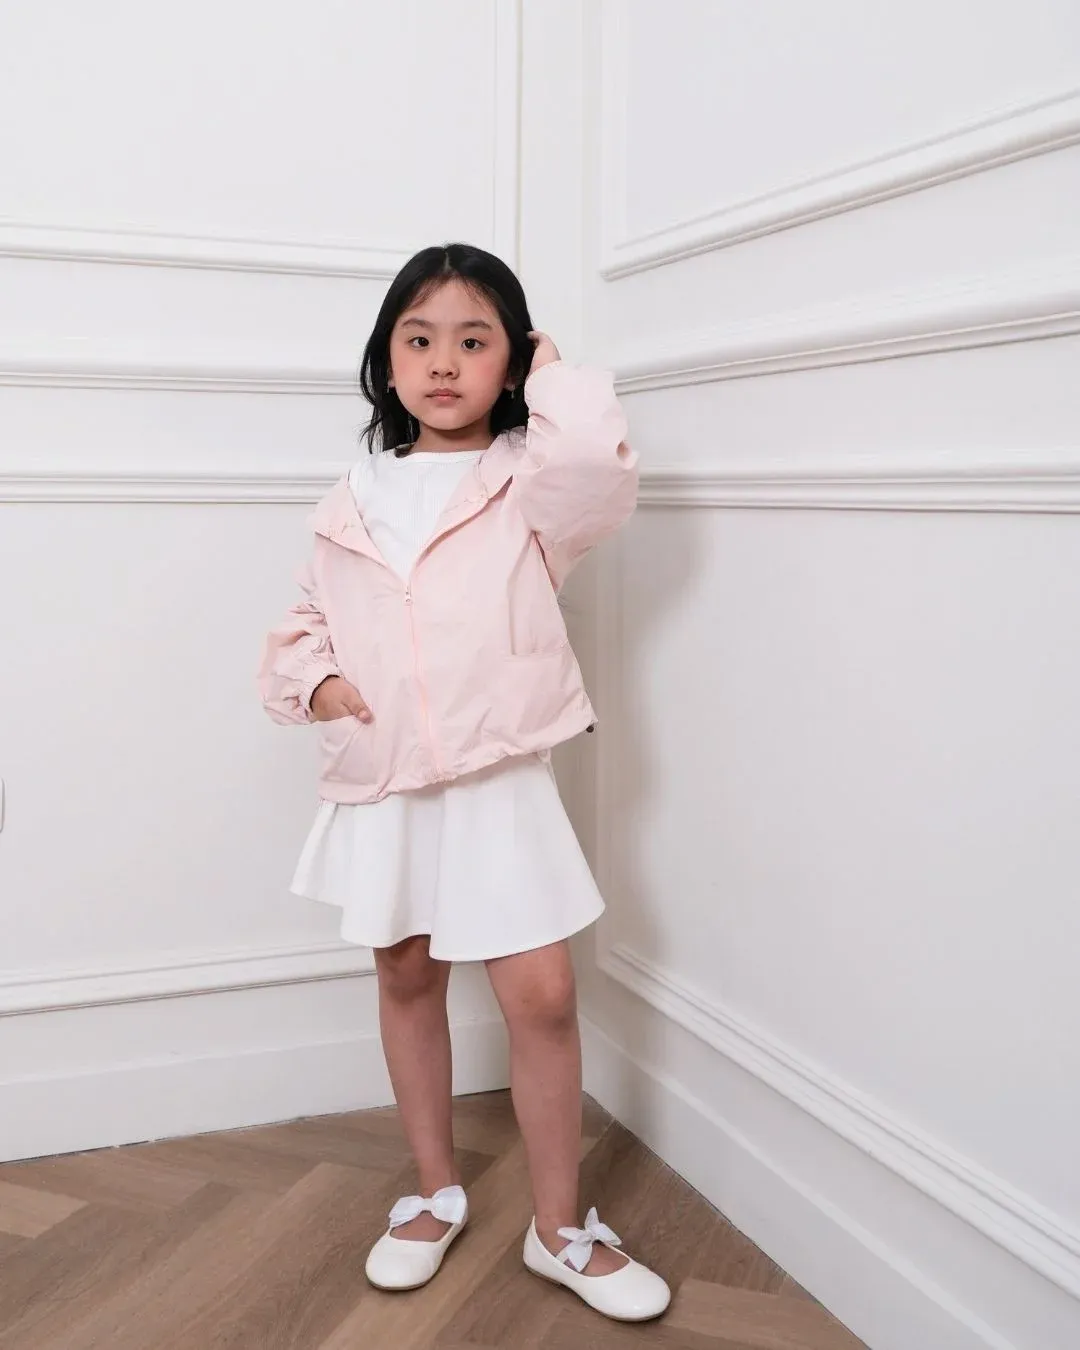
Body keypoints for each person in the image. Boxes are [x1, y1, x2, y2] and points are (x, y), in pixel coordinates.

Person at [257, 242, 669, 1322]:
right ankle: (435, 1193)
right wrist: (320, 682)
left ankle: (559, 1228)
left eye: (475, 340)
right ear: (387, 358)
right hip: (387, 777)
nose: (444, 362)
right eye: (420, 338)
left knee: (543, 995)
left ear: (512, 361)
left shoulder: (530, 485)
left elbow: (601, 475)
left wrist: (557, 380)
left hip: (497, 773)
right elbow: (305, 617)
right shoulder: (354, 493)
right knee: (405, 974)